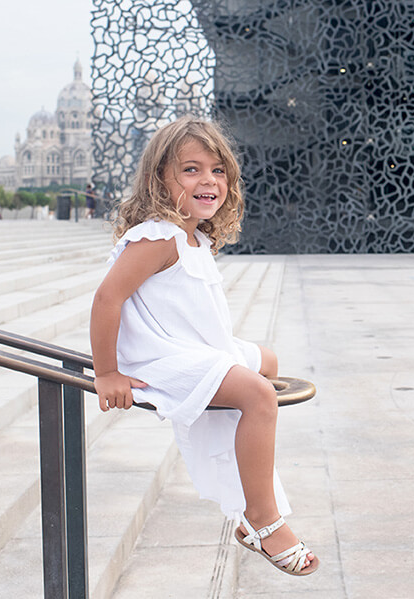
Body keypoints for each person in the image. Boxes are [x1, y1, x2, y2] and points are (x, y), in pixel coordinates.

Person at [90, 115, 318, 576]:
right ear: (160, 179)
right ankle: (261, 518)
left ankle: (247, 481)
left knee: (267, 360)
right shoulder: (158, 236)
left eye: (217, 170)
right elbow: (106, 298)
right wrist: (108, 371)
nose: (208, 180)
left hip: (192, 344)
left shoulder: (193, 236)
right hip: (160, 356)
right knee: (256, 394)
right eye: (191, 169)